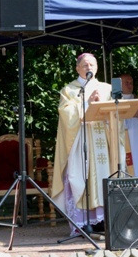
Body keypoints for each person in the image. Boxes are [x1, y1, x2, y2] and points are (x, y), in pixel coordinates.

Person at [51, 53, 123, 235]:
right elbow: (66, 116)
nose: (89, 68)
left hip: (104, 146)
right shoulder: (70, 90)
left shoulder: (106, 89)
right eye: (85, 65)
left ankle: (105, 221)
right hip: (80, 144)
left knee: (105, 176)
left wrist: (106, 107)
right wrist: (86, 105)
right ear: (77, 69)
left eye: (92, 64)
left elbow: (117, 114)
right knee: (82, 178)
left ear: (97, 67)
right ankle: (83, 224)